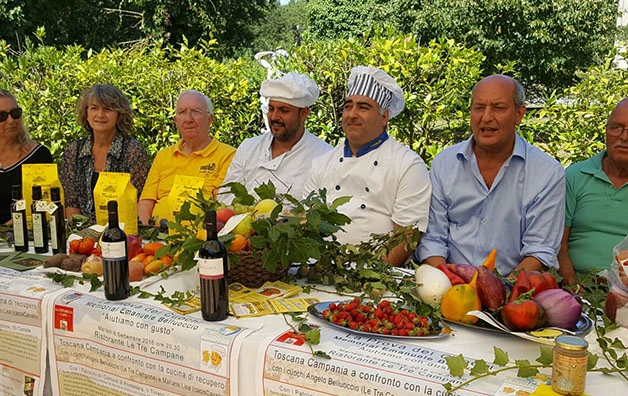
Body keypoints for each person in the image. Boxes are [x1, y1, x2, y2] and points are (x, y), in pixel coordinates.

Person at [415, 74, 565, 276]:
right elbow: (433, 239)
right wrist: (447, 282)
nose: (486, 117)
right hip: (448, 284)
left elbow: (540, 252)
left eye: (498, 108)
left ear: (519, 114)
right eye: (479, 108)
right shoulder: (445, 163)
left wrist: (501, 291)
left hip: (512, 291)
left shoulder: (547, 173)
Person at [303, 66, 432, 267]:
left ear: (384, 117)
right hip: (321, 270)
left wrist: (368, 276)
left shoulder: (407, 165)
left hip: (379, 276)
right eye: (348, 106)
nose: (352, 114)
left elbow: (406, 238)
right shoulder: (321, 163)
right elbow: (307, 222)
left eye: (363, 107)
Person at [220, 72, 332, 202]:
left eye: (284, 110)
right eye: (271, 109)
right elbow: (226, 198)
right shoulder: (249, 148)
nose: (274, 117)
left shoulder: (324, 156)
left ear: (304, 113)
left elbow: (324, 210)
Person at [558, 98, 628, 285]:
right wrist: (573, 288)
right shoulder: (575, 176)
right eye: (616, 127)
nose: (624, 137)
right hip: (578, 285)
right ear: (606, 130)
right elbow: (559, 245)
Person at [138, 90, 236, 224]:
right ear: (176, 120)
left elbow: (223, 209)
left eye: (196, 111)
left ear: (210, 119)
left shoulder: (228, 156)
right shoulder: (163, 156)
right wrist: (147, 233)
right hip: (157, 238)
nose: (189, 119)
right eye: (182, 112)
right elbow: (146, 202)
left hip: (200, 239)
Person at [60, 84, 150, 220]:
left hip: (123, 230)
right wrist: (80, 235)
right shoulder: (74, 151)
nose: (100, 115)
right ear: (86, 113)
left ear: (119, 114)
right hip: (81, 235)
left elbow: (140, 201)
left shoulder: (132, 151)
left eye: (107, 109)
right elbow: (71, 203)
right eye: (94, 108)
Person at [0, 89, 53, 223]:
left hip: (28, 235)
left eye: (15, 113)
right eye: (2, 116)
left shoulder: (39, 155)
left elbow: (46, 204)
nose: (11, 121)